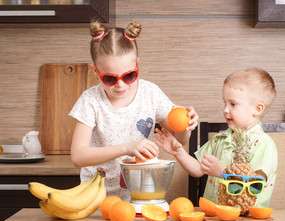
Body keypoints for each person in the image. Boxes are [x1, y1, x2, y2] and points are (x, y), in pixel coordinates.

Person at [69, 20, 198, 200]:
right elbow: (78, 156)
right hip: (95, 197)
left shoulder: (151, 93)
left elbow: (179, 141)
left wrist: (186, 125)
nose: (120, 85)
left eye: (129, 75)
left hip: (138, 194)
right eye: (109, 79)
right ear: (95, 70)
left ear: (137, 64)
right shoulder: (90, 100)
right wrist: (127, 148)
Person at [154, 68, 277, 207]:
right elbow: (198, 169)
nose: (225, 109)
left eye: (233, 104)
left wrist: (223, 173)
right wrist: (178, 152)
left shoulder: (264, 144)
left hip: (248, 220)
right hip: (215, 216)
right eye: (224, 102)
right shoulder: (220, 138)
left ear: (257, 109)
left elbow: (256, 184)